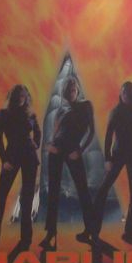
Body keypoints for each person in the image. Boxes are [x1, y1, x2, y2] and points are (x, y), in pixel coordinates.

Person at [0, 84, 40, 253]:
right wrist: (4, 160)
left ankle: (26, 239)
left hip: (30, 157)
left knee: (27, 198)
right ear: (13, 97)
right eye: (18, 96)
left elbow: (38, 133)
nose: (21, 99)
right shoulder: (3, 114)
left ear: (27, 98)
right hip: (11, 157)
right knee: (0, 197)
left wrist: (36, 143)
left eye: (24, 96)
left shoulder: (30, 114)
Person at [40, 76, 95, 251]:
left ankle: (90, 230)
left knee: (83, 189)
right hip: (56, 150)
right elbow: (56, 133)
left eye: (73, 90)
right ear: (64, 93)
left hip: (73, 150)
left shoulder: (86, 105)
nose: (70, 93)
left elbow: (91, 131)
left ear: (77, 91)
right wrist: (49, 146)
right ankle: (51, 233)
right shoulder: (61, 110)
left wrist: (80, 150)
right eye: (67, 91)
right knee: (53, 191)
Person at [92, 81, 132, 242]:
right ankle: (93, 229)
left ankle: (130, 232)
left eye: (127, 93)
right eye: (123, 93)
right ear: (120, 94)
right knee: (103, 189)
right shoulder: (116, 112)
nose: (125, 95)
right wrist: (107, 159)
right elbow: (108, 136)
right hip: (117, 154)